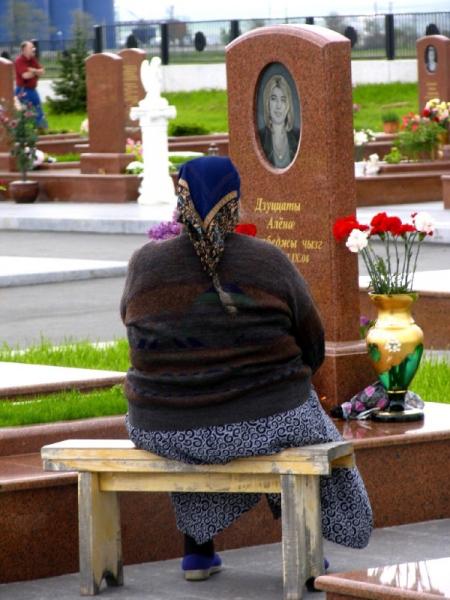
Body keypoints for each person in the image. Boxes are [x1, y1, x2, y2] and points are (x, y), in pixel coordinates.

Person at [121, 156, 372, 582]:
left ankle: (197, 553)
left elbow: (132, 325)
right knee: (296, 422)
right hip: (266, 421)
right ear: (234, 202)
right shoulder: (266, 261)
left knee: (193, 410)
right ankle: (309, 544)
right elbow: (312, 341)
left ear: (180, 203)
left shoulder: (146, 263)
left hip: (158, 424)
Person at [259, 74, 300, 168]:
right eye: (273, 99)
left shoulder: (298, 136)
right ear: (267, 103)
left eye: (283, 100)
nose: (278, 106)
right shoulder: (260, 137)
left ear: (288, 105)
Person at [14, 41, 47, 130]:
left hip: (32, 89)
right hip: (23, 90)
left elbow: (42, 72)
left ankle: (41, 129)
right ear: (24, 50)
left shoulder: (32, 60)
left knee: (38, 109)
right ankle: (22, 131)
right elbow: (25, 75)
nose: (34, 49)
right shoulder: (19, 61)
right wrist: (36, 72)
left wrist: (32, 70)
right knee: (21, 112)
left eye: (33, 47)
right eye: (31, 48)